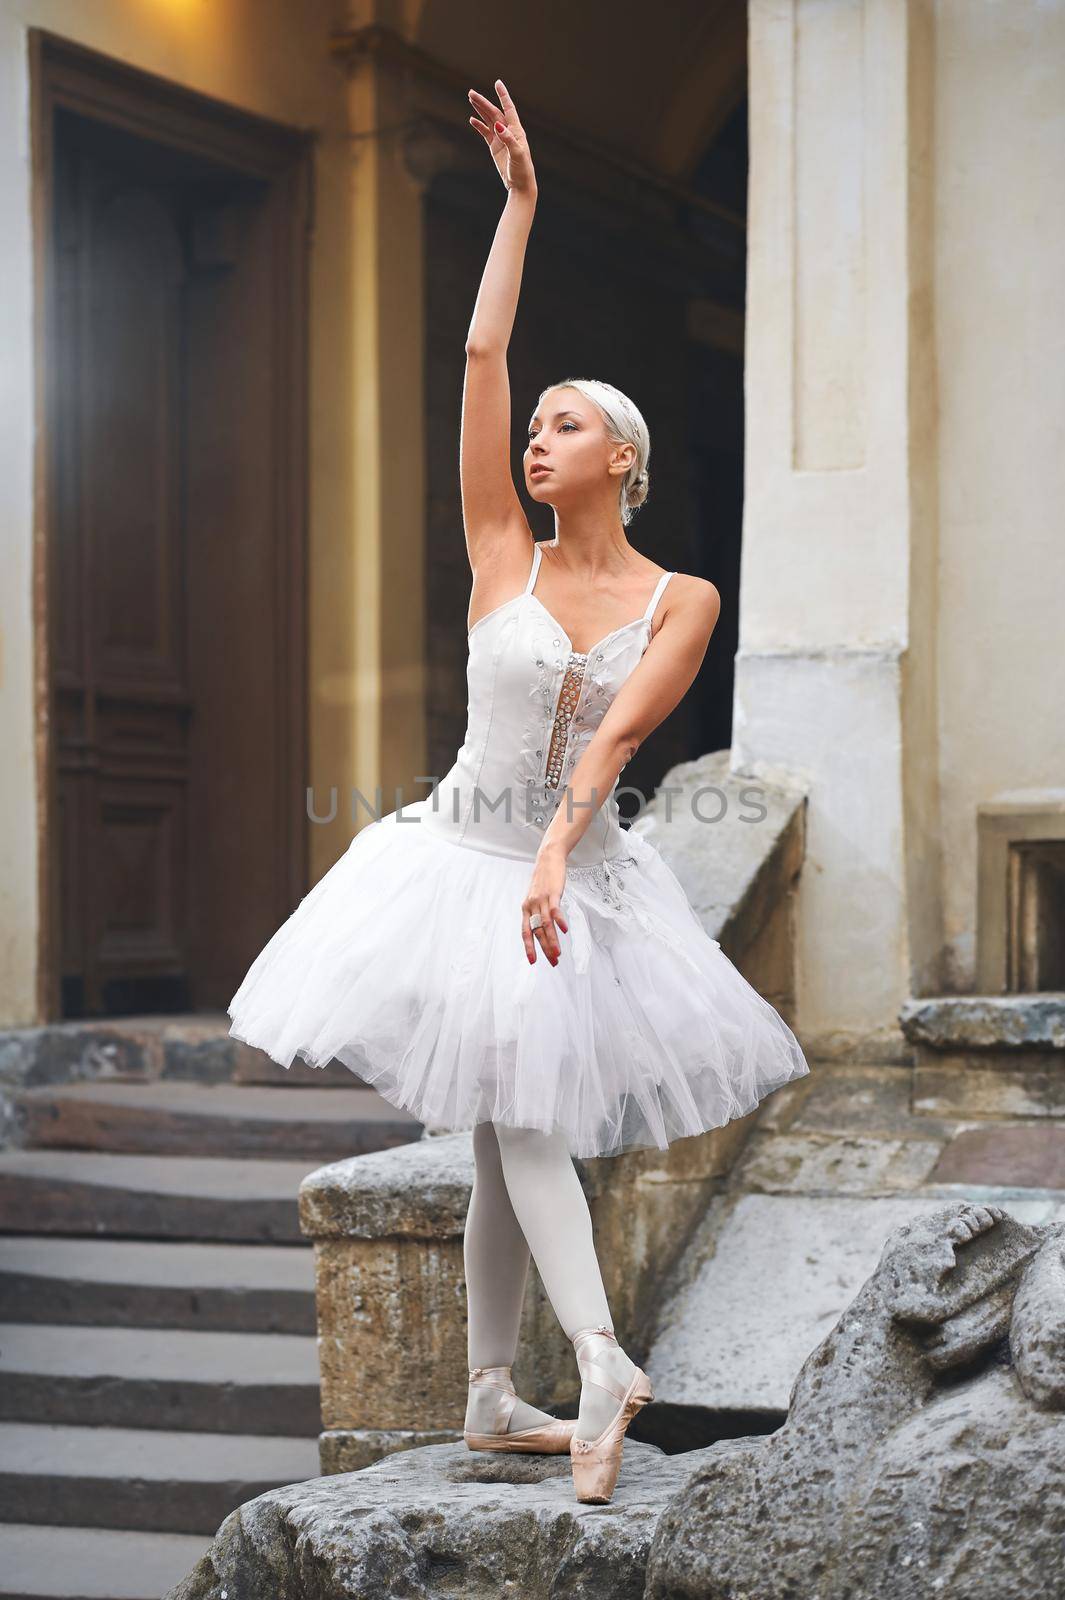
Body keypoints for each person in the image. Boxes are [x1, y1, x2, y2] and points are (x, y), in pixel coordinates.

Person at [227, 78, 810, 1506]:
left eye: (565, 426)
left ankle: (598, 1357)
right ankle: (498, 1392)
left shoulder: (683, 594)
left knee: (522, 1115)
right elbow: (482, 350)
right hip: (453, 862)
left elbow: (616, 746)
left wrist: (557, 854)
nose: (536, 438)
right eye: (533, 429)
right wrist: (520, 206)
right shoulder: (505, 553)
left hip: (576, 877)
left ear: (622, 457)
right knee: (496, 1121)